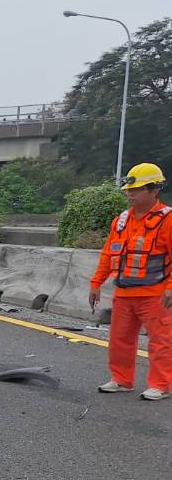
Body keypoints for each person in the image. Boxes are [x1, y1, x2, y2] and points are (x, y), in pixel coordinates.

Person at [90, 162, 172, 401]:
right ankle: (122, 379)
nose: (130, 193)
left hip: (155, 295)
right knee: (120, 341)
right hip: (124, 294)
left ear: (154, 190)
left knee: (161, 342)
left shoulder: (167, 220)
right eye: (129, 189)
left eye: (136, 190)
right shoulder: (121, 221)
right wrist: (96, 283)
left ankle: (160, 384)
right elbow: (108, 253)